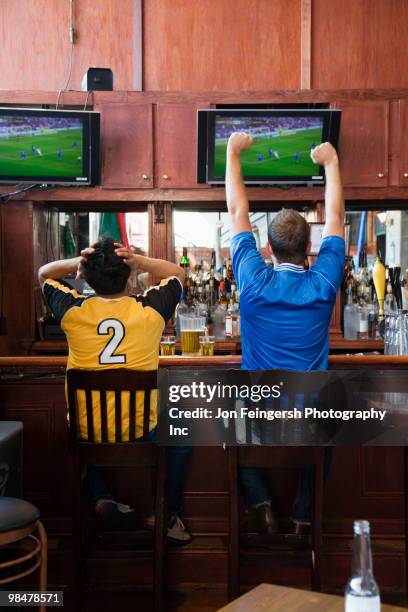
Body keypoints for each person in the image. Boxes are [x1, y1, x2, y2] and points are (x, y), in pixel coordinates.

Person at [225, 132, 344, 534]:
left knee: (225, 420)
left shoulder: (252, 281)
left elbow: (237, 208)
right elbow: (336, 221)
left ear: (267, 248)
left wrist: (232, 152)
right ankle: (304, 516)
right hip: (307, 420)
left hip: (259, 419)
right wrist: (330, 163)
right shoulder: (323, 285)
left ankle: (259, 501)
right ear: (310, 248)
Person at [38, 238, 192, 544]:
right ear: (129, 276)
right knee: (182, 432)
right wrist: (140, 261)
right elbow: (179, 273)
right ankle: (166, 514)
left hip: (88, 433)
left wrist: (75, 263)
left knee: (80, 432)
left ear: (87, 276)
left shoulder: (72, 310)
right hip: (140, 431)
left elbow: (43, 274)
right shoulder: (150, 309)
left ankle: (101, 497)